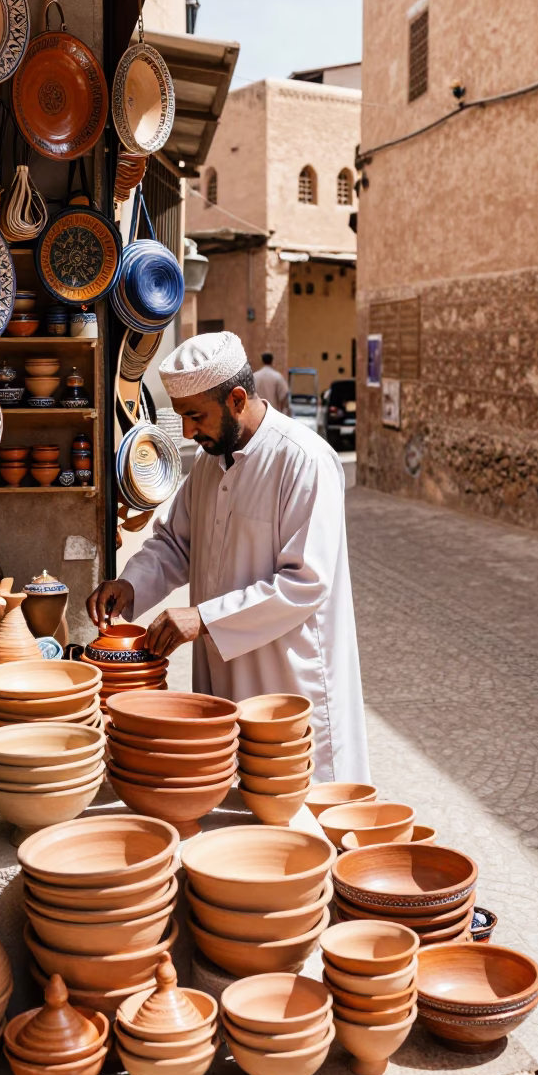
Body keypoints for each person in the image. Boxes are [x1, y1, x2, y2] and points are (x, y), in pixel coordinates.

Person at [87, 331, 369, 781]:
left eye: (196, 416)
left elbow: (305, 583)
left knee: (300, 815)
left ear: (237, 399)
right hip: (224, 672)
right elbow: (176, 543)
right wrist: (131, 584)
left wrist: (205, 619)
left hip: (289, 680)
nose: (188, 431)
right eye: (182, 417)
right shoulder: (207, 464)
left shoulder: (304, 460)